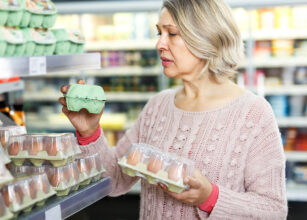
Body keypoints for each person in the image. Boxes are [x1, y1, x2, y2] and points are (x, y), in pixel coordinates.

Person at [59, 0, 288, 219]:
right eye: (159, 33)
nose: (159, 44)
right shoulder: (158, 106)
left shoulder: (254, 113)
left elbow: (273, 210)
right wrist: (90, 133)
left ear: (206, 37)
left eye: (172, 33)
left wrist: (210, 198)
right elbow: (115, 181)